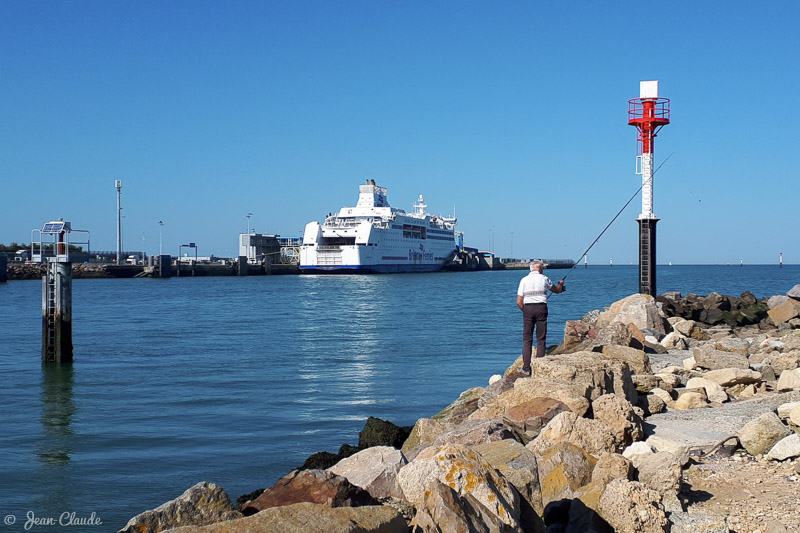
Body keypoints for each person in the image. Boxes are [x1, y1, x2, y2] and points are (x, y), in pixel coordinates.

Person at [516, 260, 566, 375]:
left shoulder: (523, 280)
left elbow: (519, 302)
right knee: (541, 338)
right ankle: (539, 367)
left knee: (527, 340)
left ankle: (526, 368)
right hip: (541, 308)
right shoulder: (544, 279)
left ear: (531, 269)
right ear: (540, 269)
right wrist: (561, 284)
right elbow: (557, 290)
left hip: (528, 309)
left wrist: (526, 311)